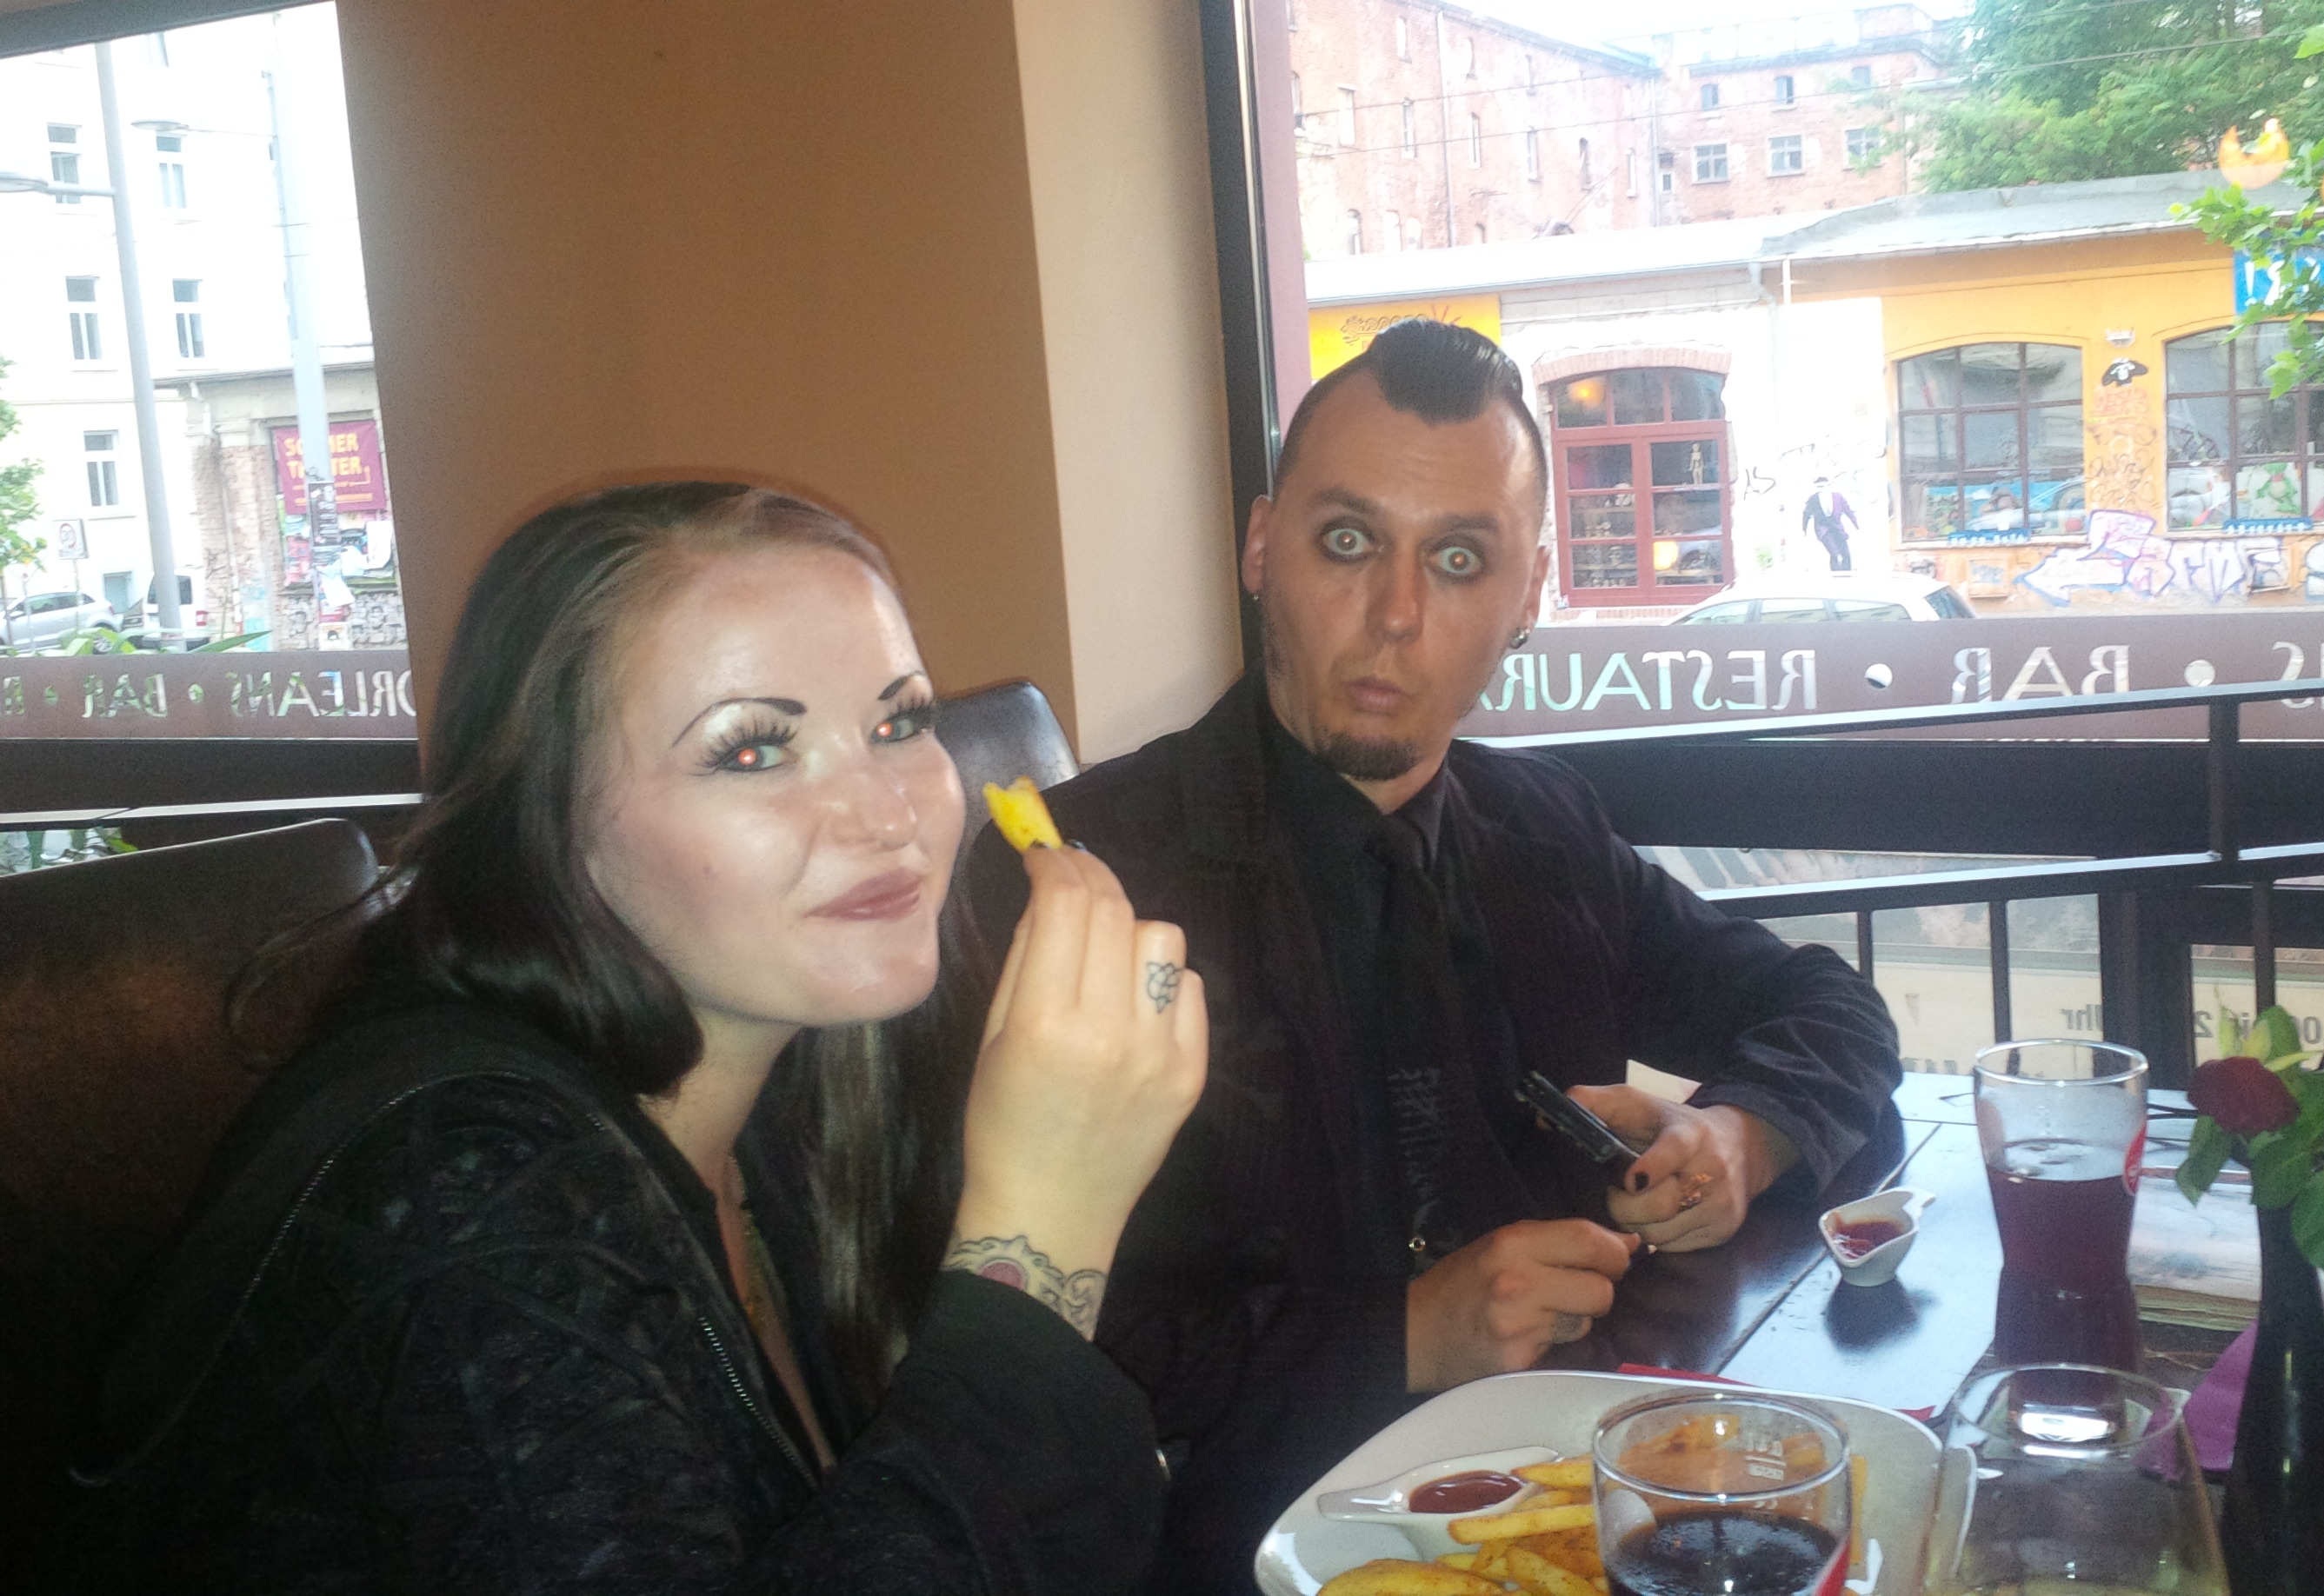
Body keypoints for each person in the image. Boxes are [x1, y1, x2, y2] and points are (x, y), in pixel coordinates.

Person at [66, 483, 1205, 1593]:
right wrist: (1041, 1232)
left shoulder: (805, 1074)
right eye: (753, 750)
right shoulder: (465, 1194)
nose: (888, 812)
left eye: (899, 722)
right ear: (549, 824)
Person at [960, 320, 1901, 1593]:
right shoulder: (1084, 882)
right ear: (1261, 549)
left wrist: (1743, 1135)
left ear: (1529, 596)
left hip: (1567, 1517)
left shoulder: (1544, 830)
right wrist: (1404, 1333)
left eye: (1459, 560)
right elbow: (1017, 1342)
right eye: (1348, 543)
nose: (1396, 615)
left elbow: (1823, 1005)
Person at [1801, 476, 1858, 572]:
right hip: (1823, 529)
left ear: (1829, 486)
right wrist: (1804, 529)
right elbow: (1806, 514)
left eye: (1824, 486)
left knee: (1845, 552)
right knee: (1834, 553)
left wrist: (1856, 524)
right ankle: (1836, 574)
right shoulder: (1813, 499)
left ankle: (1847, 573)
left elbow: (1848, 510)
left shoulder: (1838, 497)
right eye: (1819, 487)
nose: (1822, 489)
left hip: (1837, 527)